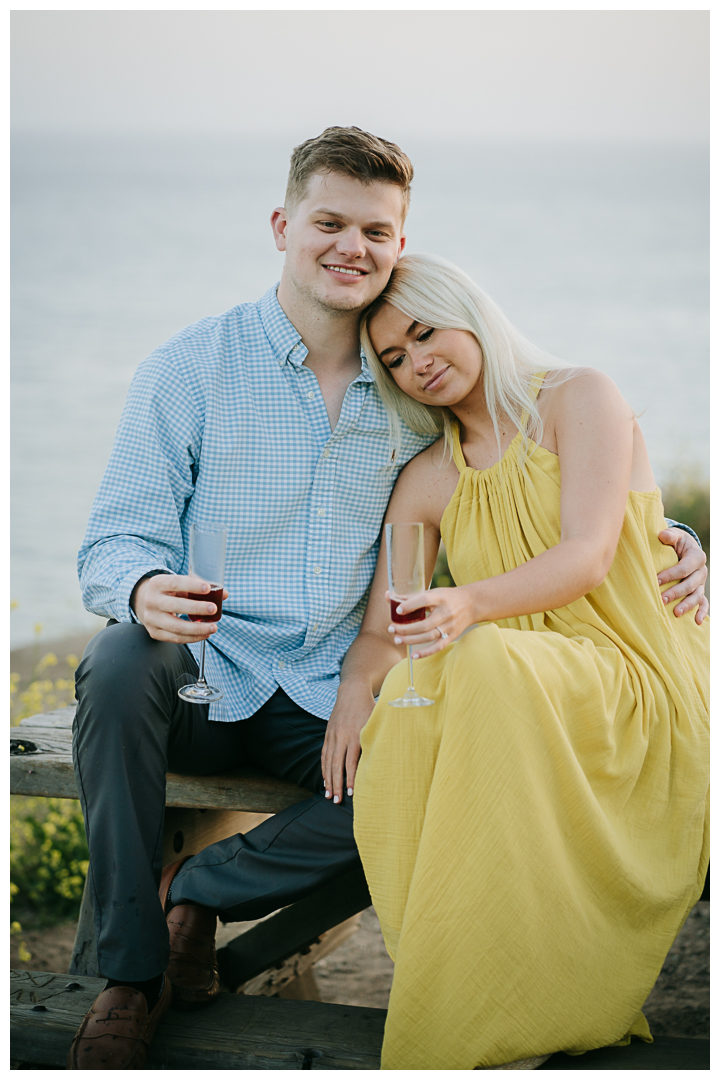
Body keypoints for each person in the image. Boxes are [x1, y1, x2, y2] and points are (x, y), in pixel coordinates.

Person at [66, 128, 707, 1069]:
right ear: (285, 225)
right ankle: (130, 978)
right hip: (205, 668)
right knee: (119, 659)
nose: (350, 247)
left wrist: (681, 543)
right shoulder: (188, 369)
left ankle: (198, 893)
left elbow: (546, 493)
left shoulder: (410, 403)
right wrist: (142, 585)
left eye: (374, 229)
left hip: (327, 687)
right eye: (328, 222)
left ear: (400, 246)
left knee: (420, 789)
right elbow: (112, 539)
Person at [328, 253, 709, 1070]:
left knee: (481, 659)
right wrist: (357, 687)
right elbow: (383, 629)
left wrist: (466, 604)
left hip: (634, 670)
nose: (417, 361)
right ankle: (484, 989)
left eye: (425, 332)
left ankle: (497, 1017)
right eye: (393, 357)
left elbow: (588, 557)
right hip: (521, 686)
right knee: (415, 701)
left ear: (468, 312)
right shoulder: (428, 478)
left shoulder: (579, 398)